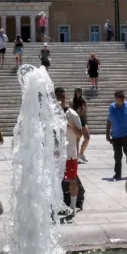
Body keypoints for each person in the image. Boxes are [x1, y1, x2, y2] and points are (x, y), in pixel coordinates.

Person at [55, 87, 83, 216]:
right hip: (54, 155)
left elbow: (79, 134)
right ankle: (55, 206)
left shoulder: (72, 114)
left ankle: (72, 206)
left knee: (72, 180)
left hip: (70, 154)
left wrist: (70, 125)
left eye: (62, 96)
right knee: (54, 181)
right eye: (57, 96)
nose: (60, 98)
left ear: (65, 98)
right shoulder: (50, 113)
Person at [106, 90, 127, 180]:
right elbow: (109, 121)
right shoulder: (112, 107)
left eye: (123, 97)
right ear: (116, 99)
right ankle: (117, 174)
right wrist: (107, 134)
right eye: (120, 98)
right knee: (117, 156)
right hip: (116, 136)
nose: (122, 99)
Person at [70, 87, 90, 163]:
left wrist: (86, 122)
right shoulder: (72, 101)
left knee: (87, 137)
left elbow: (85, 113)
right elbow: (70, 111)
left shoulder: (83, 101)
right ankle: (77, 156)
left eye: (79, 91)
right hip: (75, 120)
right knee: (77, 139)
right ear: (75, 92)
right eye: (77, 91)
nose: (78, 93)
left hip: (82, 120)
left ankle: (82, 153)